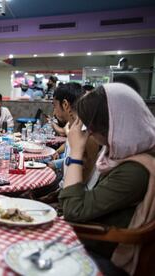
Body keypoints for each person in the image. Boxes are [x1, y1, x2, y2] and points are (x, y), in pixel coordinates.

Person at [59, 83, 155, 275]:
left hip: (107, 253)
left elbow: (72, 211)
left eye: (93, 127)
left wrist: (76, 151)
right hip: (94, 236)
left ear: (114, 125)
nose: (90, 133)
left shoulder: (135, 170)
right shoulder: (125, 153)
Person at [48, 82, 100, 187]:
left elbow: (79, 184)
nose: (54, 112)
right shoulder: (74, 128)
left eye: (55, 105)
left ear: (65, 105)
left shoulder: (86, 134)